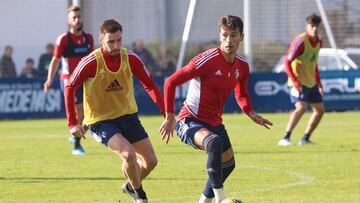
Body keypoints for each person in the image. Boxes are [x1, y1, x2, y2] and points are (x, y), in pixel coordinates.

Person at [159, 15, 273, 203]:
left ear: (241, 37)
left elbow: (241, 93)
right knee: (214, 143)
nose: (229, 40)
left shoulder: (242, 66)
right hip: (190, 120)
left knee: (228, 164)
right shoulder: (206, 60)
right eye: (225, 35)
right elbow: (170, 82)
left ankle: (204, 201)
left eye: (233, 35)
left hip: (214, 122)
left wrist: (251, 113)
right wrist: (170, 116)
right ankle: (221, 199)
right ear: (220, 36)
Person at [64, 19, 164, 203]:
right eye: (111, 41)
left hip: (129, 117)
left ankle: (129, 186)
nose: (116, 45)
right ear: (101, 40)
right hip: (100, 121)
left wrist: (167, 113)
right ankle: (140, 196)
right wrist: (73, 123)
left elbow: (149, 84)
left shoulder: (131, 58)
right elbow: (70, 87)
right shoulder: (90, 62)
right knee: (128, 154)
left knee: (151, 162)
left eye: (119, 40)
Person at [43, 5, 94, 155]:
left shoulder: (88, 38)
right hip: (70, 81)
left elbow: (92, 60)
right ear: (69, 21)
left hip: (85, 80)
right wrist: (49, 80)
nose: (77, 20)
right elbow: (55, 60)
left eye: (79, 16)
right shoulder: (64, 39)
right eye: (74, 18)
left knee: (90, 112)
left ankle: (77, 136)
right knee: (79, 111)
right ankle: (77, 146)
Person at [278, 13, 325, 146]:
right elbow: (287, 62)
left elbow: (313, 63)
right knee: (302, 107)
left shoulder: (319, 42)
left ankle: (305, 138)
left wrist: (319, 83)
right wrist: (296, 82)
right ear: (307, 26)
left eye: (317, 26)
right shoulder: (300, 41)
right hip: (297, 82)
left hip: (311, 82)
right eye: (312, 25)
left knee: (320, 110)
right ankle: (285, 138)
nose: (315, 28)